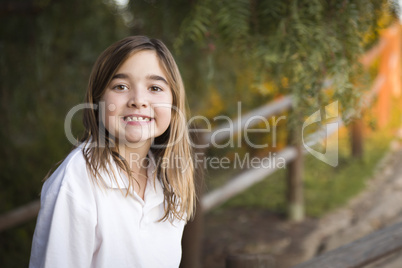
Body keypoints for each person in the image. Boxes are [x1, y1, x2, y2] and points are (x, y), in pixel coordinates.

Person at [29, 36, 196, 268]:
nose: (138, 100)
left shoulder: (170, 180)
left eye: (155, 88)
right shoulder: (78, 179)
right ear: (98, 99)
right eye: (121, 87)